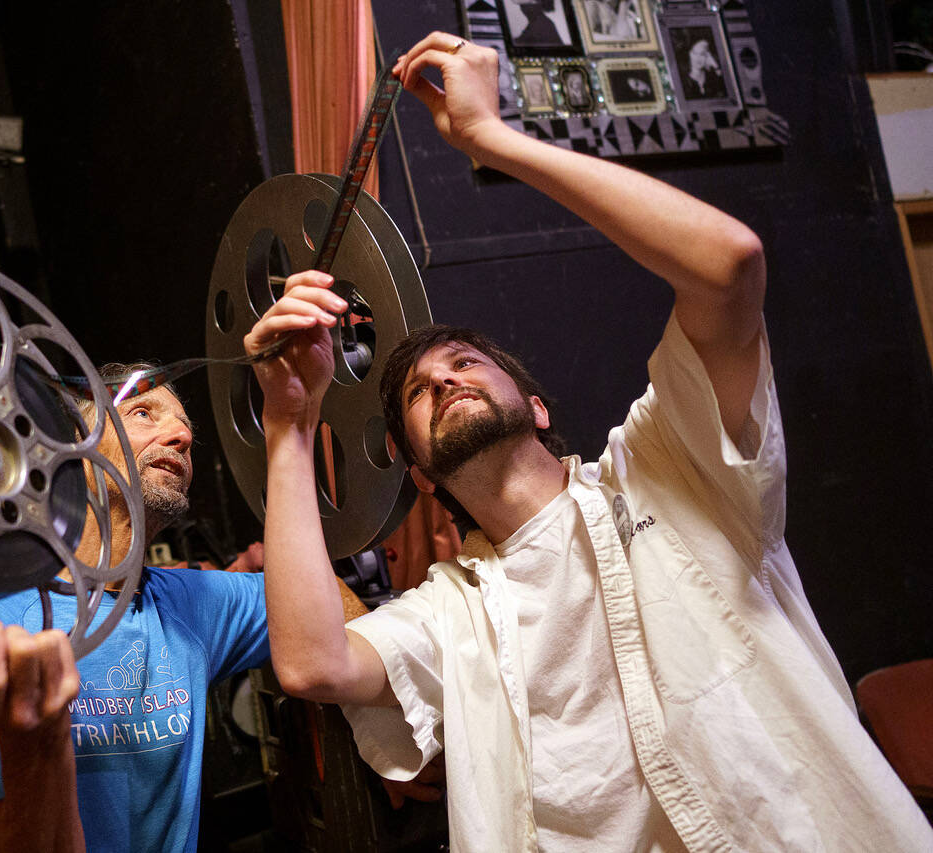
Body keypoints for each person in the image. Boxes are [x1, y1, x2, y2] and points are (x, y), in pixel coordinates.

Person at [247, 31, 933, 853]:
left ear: (535, 408)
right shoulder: (449, 616)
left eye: (464, 362)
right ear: (420, 474)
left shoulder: (670, 471)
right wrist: (289, 424)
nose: (443, 381)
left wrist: (491, 141)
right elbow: (313, 664)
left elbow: (729, 264)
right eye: (418, 394)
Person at [0, 365, 278, 853]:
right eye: (144, 412)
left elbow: (327, 608)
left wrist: (394, 735)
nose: (182, 435)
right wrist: (33, 747)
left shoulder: (196, 603)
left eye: (186, 425)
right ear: (74, 448)